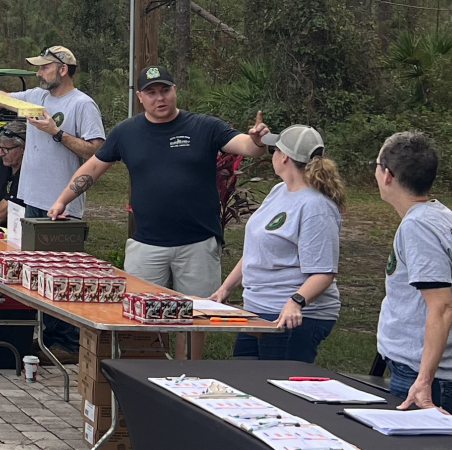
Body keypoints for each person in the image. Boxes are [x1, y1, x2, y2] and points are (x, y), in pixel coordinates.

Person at [47, 66, 267, 297]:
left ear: (175, 90)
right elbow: (92, 167)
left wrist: (257, 141)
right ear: (140, 97)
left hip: (198, 245)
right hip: (146, 244)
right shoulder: (126, 132)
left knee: (196, 317)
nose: (160, 98)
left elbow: (248, 147)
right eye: (151, 93)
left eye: (165, 90)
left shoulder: (204, 127)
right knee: (139, 320)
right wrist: (62, 200)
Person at [373, 131, 452, 415]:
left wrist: (424, 380)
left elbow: (441, 306)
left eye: (377, 166)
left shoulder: (418, 227)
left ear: (387, 175)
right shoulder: (440, 214)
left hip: (424, 378)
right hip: (426, 372)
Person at [210, 125, 345, 362]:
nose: (271, 154)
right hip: (257, 309)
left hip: (292, 316)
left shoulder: (316, 207)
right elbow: (257, 251)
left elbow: (324, 272)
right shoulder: (278, 191)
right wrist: (224, 290)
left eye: (274, 149)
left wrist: (296, 302)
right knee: (243, 379)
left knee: (277, 390)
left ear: (284, 157)